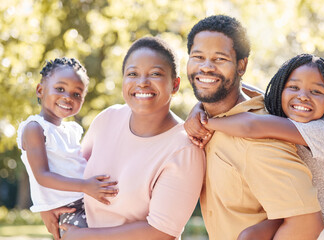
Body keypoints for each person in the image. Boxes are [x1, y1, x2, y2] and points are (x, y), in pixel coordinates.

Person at [186, 54, 324, 240]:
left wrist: (204, 122)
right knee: (250, 236)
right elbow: (246, 90)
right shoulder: (287, 120)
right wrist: (200, 105)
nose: (303, 97)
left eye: (316, 92)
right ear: (280, 92)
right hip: (314, 212)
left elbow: (251, 126)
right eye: (293, 87)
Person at [42, 37, 205, 240]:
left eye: (155, 74)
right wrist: (45, 205)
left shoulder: (185, 148)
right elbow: (69, 170)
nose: (142, 82)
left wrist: (82, 237)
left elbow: (161, 232)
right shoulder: (108, 118)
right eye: (133, 74)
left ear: (175, 84)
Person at [185, 15, 324, 240]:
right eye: (198, 57)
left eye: (219, 59)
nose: (206, 67)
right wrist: (198, 108)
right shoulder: (209, 118)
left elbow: (307, 224)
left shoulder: (259, 140)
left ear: (242, 65)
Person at [16, 57, 119, 237]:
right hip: (69, 208)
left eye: (76, 94)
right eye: (60, 89)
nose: (67, 97)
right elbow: (42, 176)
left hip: (87, 198)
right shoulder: (35, 128)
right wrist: (86, 186)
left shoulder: (71, 130)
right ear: (40, 90)